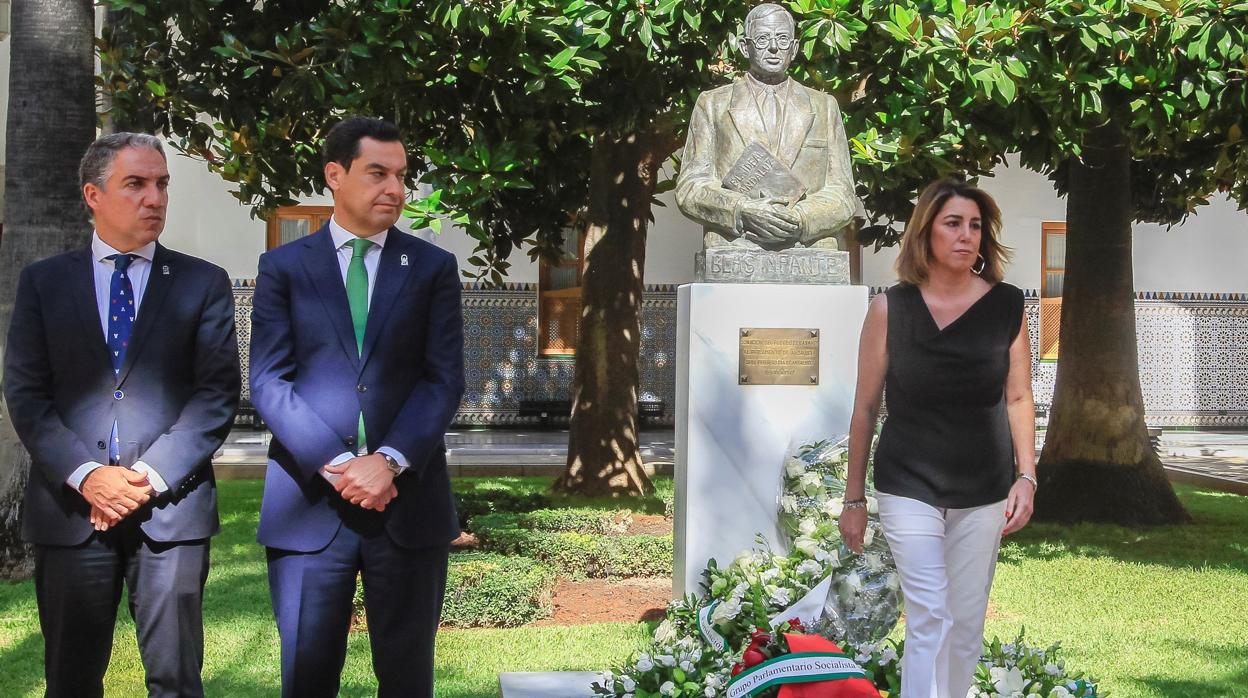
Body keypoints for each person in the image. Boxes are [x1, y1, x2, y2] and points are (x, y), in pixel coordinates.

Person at [3, 132, 241, 698]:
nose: (154, 197)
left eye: (161, 184)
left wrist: (144, 481)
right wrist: (90, 477)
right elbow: (27, 394)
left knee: (177, 681)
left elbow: (216, 396)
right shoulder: (44, 283)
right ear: (93, 194)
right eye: (135, 184)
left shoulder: (202, 282)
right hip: (71, 514)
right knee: (71, 679)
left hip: (171, 512)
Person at [250, 116, 465, 698]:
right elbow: (269, 381)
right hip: (310, 508)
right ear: (335, 175)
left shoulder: (431, 269)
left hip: (408, 505)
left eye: (401, 175)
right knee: (308, 676)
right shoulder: (284, 269)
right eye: (378, 173)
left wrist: (389, 460)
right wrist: (337, 464)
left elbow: (443, 380)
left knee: (406, 675)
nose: (394, 188)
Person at [839, 178, 1037, 698]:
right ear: (925, 233)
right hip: (909, 481)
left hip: (986, 485)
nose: (966, 235)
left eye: (975, 226)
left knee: (966, 622)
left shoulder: (1008, 306)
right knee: (931, 612)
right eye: (953, 223)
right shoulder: (890, 310)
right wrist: (853, 497)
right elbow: (864, 408)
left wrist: (1027, 476)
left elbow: (1018, 399)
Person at [674, 2, 859, 251]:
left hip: (807, 248)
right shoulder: (712, 104)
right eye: (762, 39)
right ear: (744, 47)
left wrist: (801, 218)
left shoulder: (824, 107)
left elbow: (843, 192)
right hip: (735, 245)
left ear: (794, 49)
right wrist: (741, 210)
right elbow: (690, 186)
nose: (773, 47)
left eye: (783, 39)